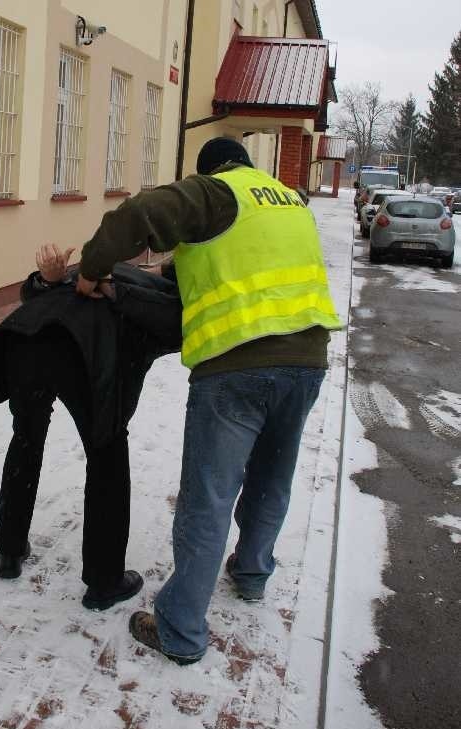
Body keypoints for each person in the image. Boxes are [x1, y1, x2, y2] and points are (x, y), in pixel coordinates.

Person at [71, 136, 343, 663]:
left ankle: (180, 630)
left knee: (208, 498)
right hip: (307, 360)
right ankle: (252, 573)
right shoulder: (288, 200)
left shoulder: (218, 194)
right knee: (271, 477)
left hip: (236, 370)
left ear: (211, 172)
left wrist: (91, 271)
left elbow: (136, 216)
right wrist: (145, 281)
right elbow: (216, 269)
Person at [0, 246, 182, 610]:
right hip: (81, 354)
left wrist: (47, 280)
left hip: (24, 342)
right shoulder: (164, 299)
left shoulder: (112, 266)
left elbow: (35, 293)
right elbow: (173, 330)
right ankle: (105, 582)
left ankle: (9, 551)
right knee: (108, 454)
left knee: (26, 439)